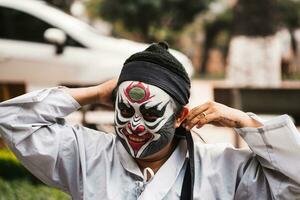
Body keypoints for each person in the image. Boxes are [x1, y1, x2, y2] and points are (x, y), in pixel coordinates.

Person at [0, 42, 300, 200]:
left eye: (152, 113)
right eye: (126, 110)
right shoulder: (88, 155)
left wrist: (241, 121)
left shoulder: (224, 168)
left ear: (181, 115)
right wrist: (95, 92)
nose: (135, 125)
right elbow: (12, 120)